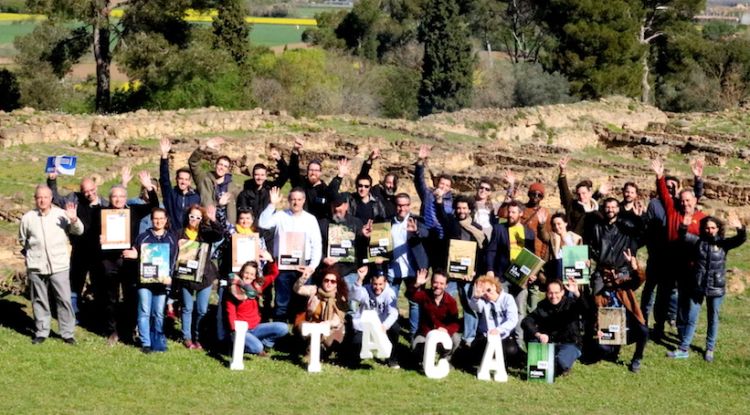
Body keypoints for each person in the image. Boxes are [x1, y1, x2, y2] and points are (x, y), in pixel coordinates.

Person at [93, 171, 159, 346]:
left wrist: (148, 187)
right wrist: (99, 240)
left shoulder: (134, 211)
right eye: (114, 196)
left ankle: (129, 331)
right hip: (109, 261)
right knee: (111, 298)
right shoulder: (103, 213)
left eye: (121, 196)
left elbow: (154, 205)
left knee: (130, 298)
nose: (118, 199)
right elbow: (93, 235)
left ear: (126, 197)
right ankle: (112, 331)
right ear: (110, 198)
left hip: (129, 261)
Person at [669, 213, 746, 361]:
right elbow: (683, 236)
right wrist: (684, 226)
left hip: (716, 288)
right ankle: (684, 348)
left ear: (718, 229)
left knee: (713, 319)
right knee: (691, 318)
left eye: (713, 228)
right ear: (703, 229)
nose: (710, 230)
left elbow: (740, 239)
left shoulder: (724, 244)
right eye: (707, 228)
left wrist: (740, 229)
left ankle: (710, 349)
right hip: (698, 287)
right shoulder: (698, 242)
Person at [641, 160, 704, 330]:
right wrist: (659, 176)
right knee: (663, 294)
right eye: (683, 201)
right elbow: (663, 194)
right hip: (669, 262)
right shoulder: (672, 211)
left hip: (688, 266)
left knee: (683, 298)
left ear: (694, 201)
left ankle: (682, 329)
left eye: (688, 201)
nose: (685, 203)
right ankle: (659, 325)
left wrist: (698, 178)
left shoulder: (701, 218)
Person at [19, 185, 83, 344]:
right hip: (36, 265)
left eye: (45, 197)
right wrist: (32, 254)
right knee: (39, 299)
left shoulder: (61, 214)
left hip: (59, 264)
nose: (42, 200)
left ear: (51, 199)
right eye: (39, 197)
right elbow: (22, 239)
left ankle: (67, 333)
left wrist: (74, 219)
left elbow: (78, 230)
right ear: (35, 199)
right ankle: (42, 331)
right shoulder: (28, 218)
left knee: (64, 299)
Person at [47, 172, 108, 320]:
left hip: (99, 252)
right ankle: (72, 315)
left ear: (96, 187)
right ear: (81, 191)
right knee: (75, 284)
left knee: (99, 284)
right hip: (80, 249)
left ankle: (99, 315)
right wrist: (52, 180)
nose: (89, 193)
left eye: (91, 190)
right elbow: (55, 197)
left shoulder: (106, 205)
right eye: (85, 191)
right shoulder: (74, 200)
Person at [258, 187, 322, 321]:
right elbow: (263, 223)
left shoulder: (311, 219)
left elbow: (316, 244)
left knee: (302, 304)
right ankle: (279, 332)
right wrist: (272, 204)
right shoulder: (280, 215)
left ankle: (298, 335)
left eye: (299, 200)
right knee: (281, 302)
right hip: (283, 267)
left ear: (303, 201)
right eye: (293, 199)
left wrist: (312, 266)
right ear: (288, 200)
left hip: (304, 267)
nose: (296, 203)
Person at [122, 208, 178, 353]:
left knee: (158, 313)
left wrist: (170, 276)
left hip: (162, 282)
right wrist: (133, 254)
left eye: (161, 218)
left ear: (166, 220)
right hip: (144, 282)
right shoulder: (143, 237)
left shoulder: (172, 238)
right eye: (155, 218)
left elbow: (173, 260)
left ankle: (157, 340)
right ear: (151, 220)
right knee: (144, 310)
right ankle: (145, 342)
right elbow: (135, 251)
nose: (158, 221)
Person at [435, 191, 487, 344]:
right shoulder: (450, 222)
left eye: (464, 208)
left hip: (468, 275)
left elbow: (480, 252)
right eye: (458, 208)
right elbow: (441, 215)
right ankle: (440, 330)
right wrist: (438, 201)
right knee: (442, 300)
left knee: (469, 305)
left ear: (470, 209)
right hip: (450, 273)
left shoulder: (476, 228)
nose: (461, 211)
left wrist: (474, 271)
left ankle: (469, 338)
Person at [485, 200, 537, 348]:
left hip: (521, 278)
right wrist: (490, 269)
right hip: (502, 276)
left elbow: (531, 256)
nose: (510, 215)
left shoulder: (528, 233)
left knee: (520, 310)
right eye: (509, 211)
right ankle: (500, 342)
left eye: (513, 212)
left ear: (521, 214)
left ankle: (519, 343)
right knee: (500, 309)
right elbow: (491, 250)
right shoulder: (499, 229)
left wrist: (532, 273)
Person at [217, 207, 269, 342]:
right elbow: (222, 223)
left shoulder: (258, 237)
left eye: (248, 218)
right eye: (242, 218)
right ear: (238, 220)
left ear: (252, 220)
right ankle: (224, 337)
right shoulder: (233, 232)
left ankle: (250, 336)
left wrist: (259, 275)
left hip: (251, 279)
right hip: (234, 278)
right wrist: (221, 207)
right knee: (227, 307)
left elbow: (261, 260)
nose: (245, 221)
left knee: (250, 306)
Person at [175, 204, 223, 350]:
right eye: (192, 216)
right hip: (186, 277)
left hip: (205, 277)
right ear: (187, 217)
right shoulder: (179, 233)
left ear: (202, 219)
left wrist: (213, 219)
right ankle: (187, 337)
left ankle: (199, 337)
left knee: (202, 309)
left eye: (198, 217)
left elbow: (219, 234)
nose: (194, 219)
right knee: (187, 308)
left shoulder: (206, 233)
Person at [592, 249, 649, 373]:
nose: (609, 276)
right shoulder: (599, 297)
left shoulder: (625, 286)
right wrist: (598, 331)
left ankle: (637, 359)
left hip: (628, 328)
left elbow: (639, 278)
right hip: (612, 330)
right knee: (601, 347)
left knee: (643, 330)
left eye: (612, 272)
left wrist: (635, 267)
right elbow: (597, 315)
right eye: (606, 274)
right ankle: (613, 350)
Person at [522, 278, 585, 376]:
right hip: (550, 343)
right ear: (546, 293)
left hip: (569, 343)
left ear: (563, 292)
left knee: (560, 363)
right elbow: (526, 321)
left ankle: (561, 363)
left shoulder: (572, 304)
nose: (553, 296)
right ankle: (540, 361)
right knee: (530, 333)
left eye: (556, 292)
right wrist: (539, 335)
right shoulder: (542, 305)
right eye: (550, 293)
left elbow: (587, 309)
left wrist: (577, 292)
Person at [387, 192, 429, 339]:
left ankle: (414, 334)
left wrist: (416, 231)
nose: (402, 208)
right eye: (399, 205)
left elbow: (425, 233)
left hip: (414, 270)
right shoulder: (388, 223)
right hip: (394, 269)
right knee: (390, 301)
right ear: (395, 205)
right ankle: (390, 330)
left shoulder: (416, 220)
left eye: (405, 205)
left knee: (414, 302)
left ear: (409, 205)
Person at [226, 258, 288, 356]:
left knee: (283, 328)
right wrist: (235, 330)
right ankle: (243, 345)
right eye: (246, 273)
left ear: (255, 276)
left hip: (256, 327)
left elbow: (274, 274)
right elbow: (230, 312)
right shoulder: (234, 289)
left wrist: (271, 261)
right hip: (241, 329)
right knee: (257, 347)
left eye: (251, 274)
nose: (248, 276)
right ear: (242, 273)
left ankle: (264, 344)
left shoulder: (257, 286)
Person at [318, 193, 368, 305]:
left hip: (349, 271)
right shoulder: (322, 223)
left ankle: (350, 321)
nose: (336, 209)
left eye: (339, 205)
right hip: (329, 272)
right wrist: (323, 258)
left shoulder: (356, 223)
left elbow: (362, 247)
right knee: (326, 302)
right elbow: (316, 246)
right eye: (334, 205)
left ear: (346, 206)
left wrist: (364, 237)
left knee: (352, 305)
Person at [349, 265, 400, 368]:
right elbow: (355, 296)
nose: (378, 287)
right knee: (356, 342)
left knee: (395, 328)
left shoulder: (390, 293)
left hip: (382, 325)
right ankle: (355, 359)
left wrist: (385, 325)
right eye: (375, 284)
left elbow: (394, 313)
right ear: (371, 282)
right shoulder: (366, 289)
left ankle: (392, 359)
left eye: (380, 284)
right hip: (365, 325)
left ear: (385, 282)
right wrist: (360, 279)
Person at [293, 267, 349, 361]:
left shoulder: (340, 297)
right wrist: (303, 278)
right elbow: (297, 289)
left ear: (336, 283)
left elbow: (337, 320)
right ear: (322, 281)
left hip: (331, 329)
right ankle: (311, 352)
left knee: (330, 343)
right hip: (312, 325)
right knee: (303, 327)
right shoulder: (314, 290)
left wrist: (326, 324)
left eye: (332, 281)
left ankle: (323, 350)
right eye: (326, 280)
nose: (329, 283)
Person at [407, 269, 461, 362]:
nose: (438, 286)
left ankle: (445, 359)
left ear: (446, 285)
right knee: (416, 350)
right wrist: (417, 284)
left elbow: (455, 323)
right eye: (435, 282)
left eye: (441, 283)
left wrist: (446, 330)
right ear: (431, 282)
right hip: (426, 333)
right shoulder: (425, 295)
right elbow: (410, 295)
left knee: (456, 339)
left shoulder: (451, 301)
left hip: (443, 334)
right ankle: (425, 359)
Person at [286, 137, 347, 219]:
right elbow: (293, 171)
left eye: (316, 170)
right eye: (311, 170)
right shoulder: (301, 185)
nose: (313, 173)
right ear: (307, 172)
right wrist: (295, 151)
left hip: (319, 227)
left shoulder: (324, 189)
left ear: (320, 173)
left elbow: (333, 195)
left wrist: (340, 176)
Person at [414, 144, 453, 268]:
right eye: (442, 184)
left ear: (450, 188)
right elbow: (419, 181)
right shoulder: (428, 194)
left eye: (447, 185)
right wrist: (420, 162)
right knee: (423, 268)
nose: (444, 187)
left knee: (438, 272)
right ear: (437, 184)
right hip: (425, 236)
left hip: (441, 241)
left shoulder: (452, 202)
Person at [467, 275, 519, 367]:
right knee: (474, 354)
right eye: (483, 292)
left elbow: (512, 320)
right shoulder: (482, 301)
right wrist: (476, 297)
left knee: (511, 351)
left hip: (504, 336)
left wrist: (499, 330)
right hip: (486, 336)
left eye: (488, 290)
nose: (486, 294)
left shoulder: (507, 298)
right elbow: (475, 307)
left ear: (494, 286)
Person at [188, 136, 237, 225]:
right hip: (207, 225)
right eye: (220, 164)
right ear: (215, 165)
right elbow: (193, 162)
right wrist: (205, 146)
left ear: (228, 169)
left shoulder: (233, 187)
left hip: (227, 229)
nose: (222, 168)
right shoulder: (203, 179)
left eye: (225, 166)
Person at [159, 137, 201, 231]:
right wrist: (164, 157)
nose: (183, 182)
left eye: (186, 179)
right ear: (176, 179)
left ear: (190, 181)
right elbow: (164, 179)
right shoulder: (171, 194)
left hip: (190, 235)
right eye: (181, 178)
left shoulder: (196, 197)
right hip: (173, 233)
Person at [237, 146, 289, 218]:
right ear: (253, 176)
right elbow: (243, 212)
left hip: (267, 226)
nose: (259, 178)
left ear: (266, 176)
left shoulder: (271, 188)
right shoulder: (246, 192)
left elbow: (285, 174)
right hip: (251, 226)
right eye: (257, 175)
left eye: (262, 175)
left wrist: (279, 159)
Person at [557, 157, 603, 238]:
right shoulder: (572, 206)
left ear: (590, 193)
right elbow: (564, 191)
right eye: (579, 194)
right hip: (574, 246)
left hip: (592, 247)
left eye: (584, 193)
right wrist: (562, 172)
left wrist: (599, 193)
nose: (581, 196)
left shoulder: (597, 209)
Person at [358, 148, 398, 217]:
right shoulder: (376, 192)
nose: (391, 186)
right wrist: (370, 160)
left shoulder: (396, 200)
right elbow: (363, 178)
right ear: (383, 183)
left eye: (393, 183)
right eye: (388, 182)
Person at [547, 212, 583, 281]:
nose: (556, 227)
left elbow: (581, 260)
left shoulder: (575, 238)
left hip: (572, 275)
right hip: (557, 276)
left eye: (559, 224)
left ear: (565, 223)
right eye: (554, 225)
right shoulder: (553, 238)